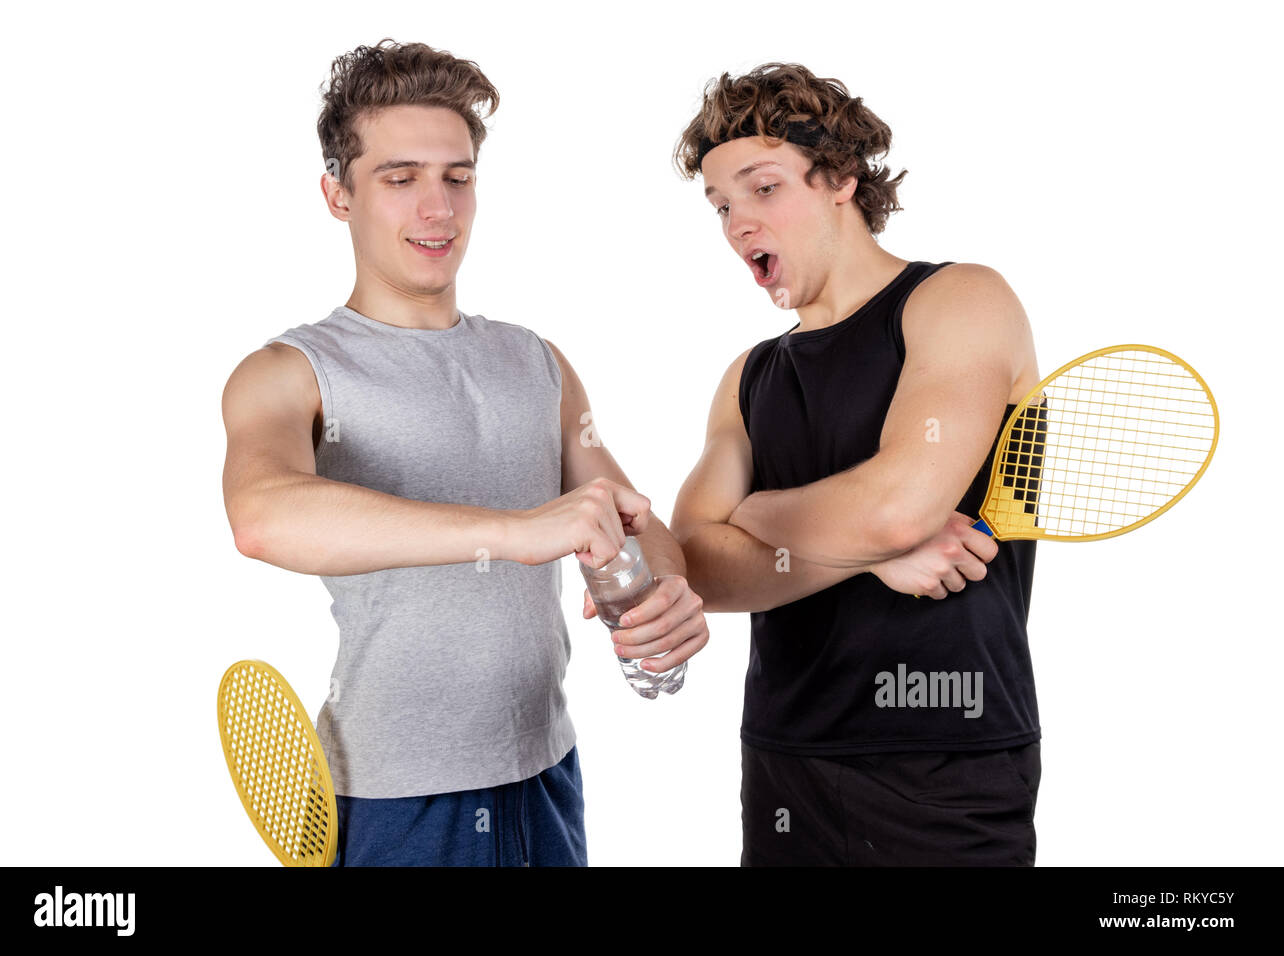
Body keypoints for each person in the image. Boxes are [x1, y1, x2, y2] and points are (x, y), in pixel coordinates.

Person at [219, 38, 710, 866]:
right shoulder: (290, 372)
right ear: (338, 194)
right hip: (397, 798)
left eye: (457, 177)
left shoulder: (537, 360)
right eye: (400, 178)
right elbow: (261, 518)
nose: (437, 208)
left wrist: (664, 590)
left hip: (547, 773)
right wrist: (514, 532)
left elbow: (625, 513)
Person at [669, 62, 1043, 866]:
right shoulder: (749, 376)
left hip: (947, 759)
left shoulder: (960, 300)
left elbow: (897, 510)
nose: (737, 224)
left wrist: (759, 515)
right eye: (721, 205)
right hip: (784, 760)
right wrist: (875, 554)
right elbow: (695, 563)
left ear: (840, 178)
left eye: (762, 189)